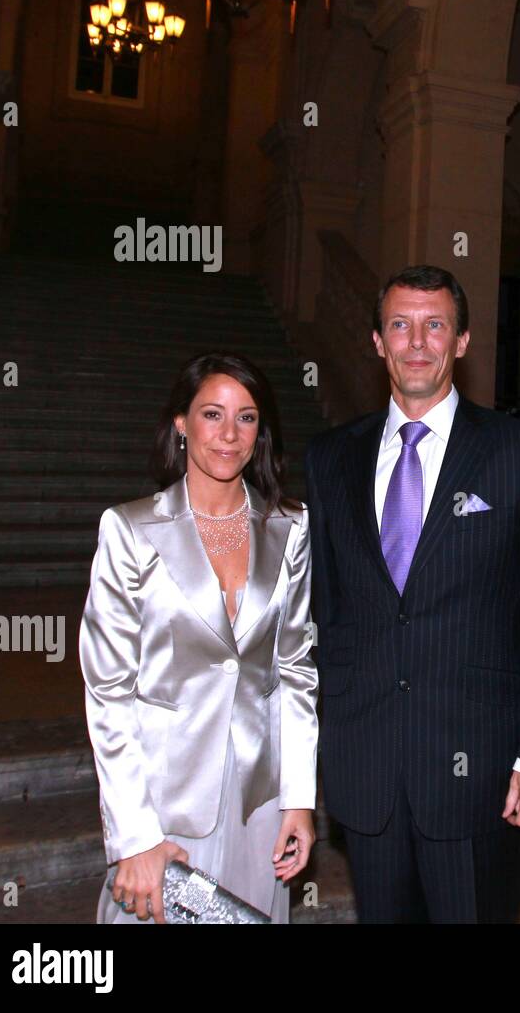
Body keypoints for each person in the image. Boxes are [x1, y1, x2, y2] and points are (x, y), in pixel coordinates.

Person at [304, 265, 520, 923]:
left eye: (436, 325)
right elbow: (323, 616)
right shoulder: (330, 459)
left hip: (477, 772)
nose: (417, 342)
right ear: (377, 340)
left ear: (461, 341)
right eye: (400, 325)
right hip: (367, 767)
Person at [80, 353, 319, 923]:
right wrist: (134, 837)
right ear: (181, 424)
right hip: (164, 802)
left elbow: (296, 670)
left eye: (247, 418)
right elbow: (108, 692)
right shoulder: (130, 530)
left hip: (257, 805)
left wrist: (299, 800)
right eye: (212, 414)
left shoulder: (290, 525)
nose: (229, 435)